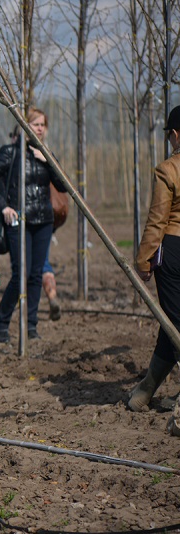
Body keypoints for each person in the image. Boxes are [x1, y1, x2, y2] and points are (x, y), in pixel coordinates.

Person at [0, 108, 67, 343]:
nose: (39, 128)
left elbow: (63, 186)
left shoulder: (46, 154)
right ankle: (0, 325)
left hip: (44, 221)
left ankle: (30, 327)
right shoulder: (10, 153)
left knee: (37, 275)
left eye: (42, 125)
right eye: (34, 124)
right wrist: (3, 207)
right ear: (24, 126)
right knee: (21, 274)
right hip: (18, 221)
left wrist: (48, 161)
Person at [128, 105, 180, 434]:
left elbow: (157, 220)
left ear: (175, 135)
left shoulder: (168, 170)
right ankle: (145, 390)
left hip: (173, 253)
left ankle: (145, 390)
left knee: (175, 322)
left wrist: (143, 259)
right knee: (172, 323)